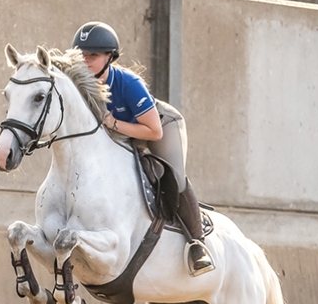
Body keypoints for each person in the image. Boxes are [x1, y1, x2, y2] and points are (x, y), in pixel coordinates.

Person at [71, 21, 214, 277]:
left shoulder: (128, 83)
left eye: (92, 55)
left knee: (172, 174)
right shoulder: (79, 83)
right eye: (82, 55)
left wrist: (113, 123)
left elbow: (153, 131)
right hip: (120, 132)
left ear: (109, 57)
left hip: (158, 125)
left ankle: (197, 243)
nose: (85, 61)